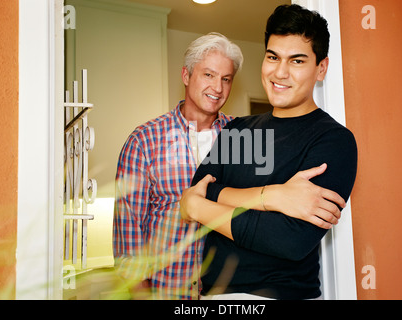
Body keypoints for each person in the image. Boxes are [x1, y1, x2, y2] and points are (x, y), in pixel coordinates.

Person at [180, 4, 358, 300]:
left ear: (321, 68)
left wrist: (200, 209)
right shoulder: (239, 130)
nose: (280, 72)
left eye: (297, 61)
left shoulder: (333, 141)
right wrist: (273, 196)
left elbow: (288, 239)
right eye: (273, 57)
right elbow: (198, 191)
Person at [113, 32, 243, 299]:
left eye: (225, 79)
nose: (217, 88)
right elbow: (128, 239)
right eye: (208, 75)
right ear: (186, 76)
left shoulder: (242, 136)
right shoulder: (144, 140)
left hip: (229, 293)